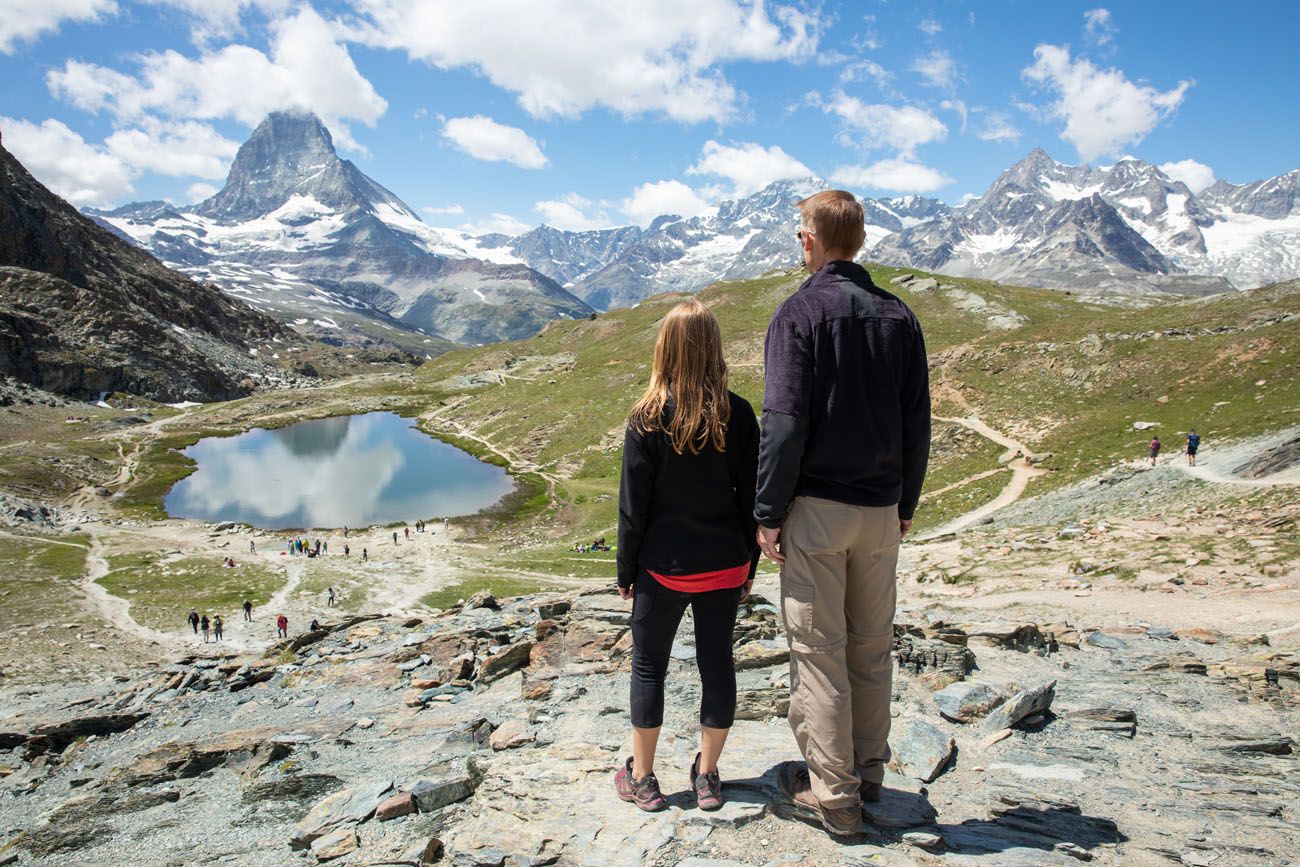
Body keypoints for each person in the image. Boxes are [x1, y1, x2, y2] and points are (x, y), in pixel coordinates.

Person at [755, 190, 930, 837]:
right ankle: (869, 772)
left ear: (812, 240)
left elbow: (784, 421)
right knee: (871, 646)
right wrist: (906, 502)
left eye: (800, 233)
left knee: (820, 651)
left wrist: (768, 510)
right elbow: (918, 423)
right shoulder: (899, 316)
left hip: (819, 513)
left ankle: (834, 795)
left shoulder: (798, 314)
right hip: (881, 510)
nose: (798, 241)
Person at [614, 299, 760, 814]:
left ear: (666, 349)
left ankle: (644, 779)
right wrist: (749, 568)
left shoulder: (646, 416)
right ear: (714, 347)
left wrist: (625, 572)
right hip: (724, 566)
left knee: (649, 667)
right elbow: (752, 501)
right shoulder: (738, 413)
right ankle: (707, 776)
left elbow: (633, 508)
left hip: (663, 569)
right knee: (717, 665)